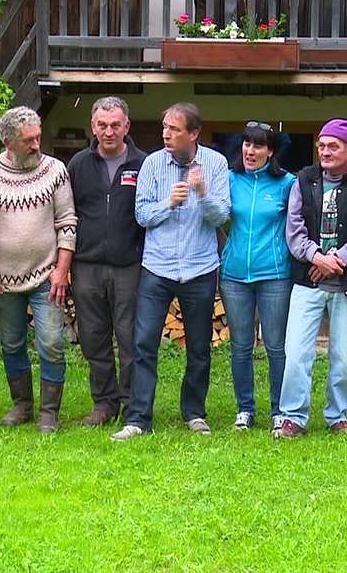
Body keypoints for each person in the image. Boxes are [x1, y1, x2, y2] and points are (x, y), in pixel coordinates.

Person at [111, 102, 230, 441]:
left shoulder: (216, 164)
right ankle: (138, 419)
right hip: (157, 267)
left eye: (174, 129)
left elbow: (221, 216)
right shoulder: (151, 164)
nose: (166, 133)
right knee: (144, 343)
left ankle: (194, 413)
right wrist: (169, 203)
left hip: (199, 267)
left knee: (199, 347)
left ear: (193, 134)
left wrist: (202, 193)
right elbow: (142, 216)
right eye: (165, 127)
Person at [274, 118, 347, 439]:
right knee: (296, 353)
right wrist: (316, 256)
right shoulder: (304, 180)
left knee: (342, 357)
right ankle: (293, 416)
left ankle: (337, 416)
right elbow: (293, 229)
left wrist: (339, 259)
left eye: (333, 146)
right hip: (307, 282)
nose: (324, 151)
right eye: (321, 146)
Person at [0, 106, 78, 434]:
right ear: (8, 142)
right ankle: (22, 405)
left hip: (46, 275)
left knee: (50, 341)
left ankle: (50, 411)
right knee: (11, 343)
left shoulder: (55, 170)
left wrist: (61, 270)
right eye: (28, 140)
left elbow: (67, 223)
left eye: (38, 138)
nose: (37, 145)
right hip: (2, 278)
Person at [67, 96, 147, 426]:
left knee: (130, 337)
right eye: (102, 125)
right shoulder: (78, 165)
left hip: (129, 263)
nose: (109, 131)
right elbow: (67, 213)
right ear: (93, 126)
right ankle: (103, 403)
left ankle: (131, 403)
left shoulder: (145, 164)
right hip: (86, 264)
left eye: (115, 125)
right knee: (93, 337)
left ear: (127, 126)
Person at [220, 121, 295, 432]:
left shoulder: (287, 184)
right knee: (240, 346)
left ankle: (280, 409)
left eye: (258, 146)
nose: (250, 151)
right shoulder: (229, 179)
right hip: (234, 275)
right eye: (247, 144)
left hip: (275, 274)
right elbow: (214, 214)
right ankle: (245, 409)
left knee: (276, 346)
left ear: (271, 151)